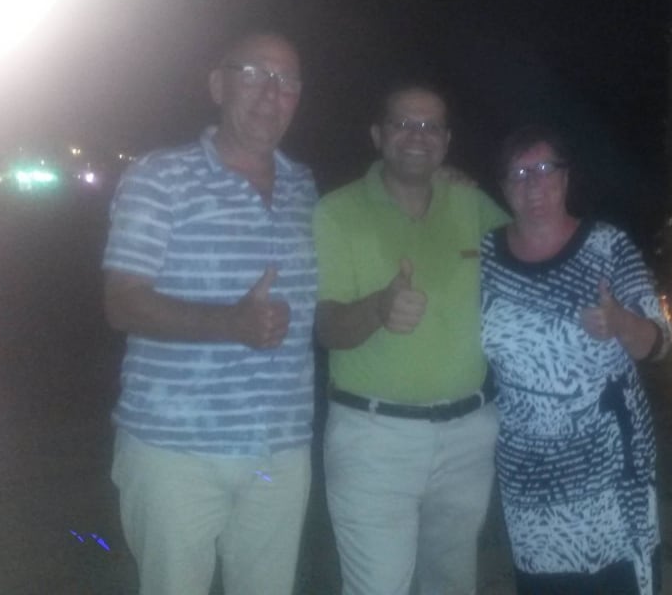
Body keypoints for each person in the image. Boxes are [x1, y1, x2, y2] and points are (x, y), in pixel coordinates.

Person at [101, 32, 317, 595]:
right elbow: (121, 301)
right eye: (254, 74)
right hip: (176, 450)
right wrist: (230, 324)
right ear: (218, 85)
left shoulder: (303, 188)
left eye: (287, 81)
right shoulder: (160, 177)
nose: (271, 93)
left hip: (278, 451)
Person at [313, 82, 509, 595]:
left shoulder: (470, 203)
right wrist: (379, 307)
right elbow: (326, 326)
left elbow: (529, 254)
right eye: (403, 124)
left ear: (446, 141)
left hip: (469, 435)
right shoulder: (336, 211)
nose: (417, 136)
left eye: (430, 126)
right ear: (378, 135)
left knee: (452, 584)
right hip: (374, 439)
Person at [480, 124, 671, 595]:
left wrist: (621, 321)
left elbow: (660, 341)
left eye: (545, 169)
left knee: (619, 583)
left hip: (611, 466)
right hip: (529, 471)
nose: (533, 184)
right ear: (503, 188)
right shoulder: (484, 255)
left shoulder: (608, 246)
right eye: (519, 173)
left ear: (566, 178)